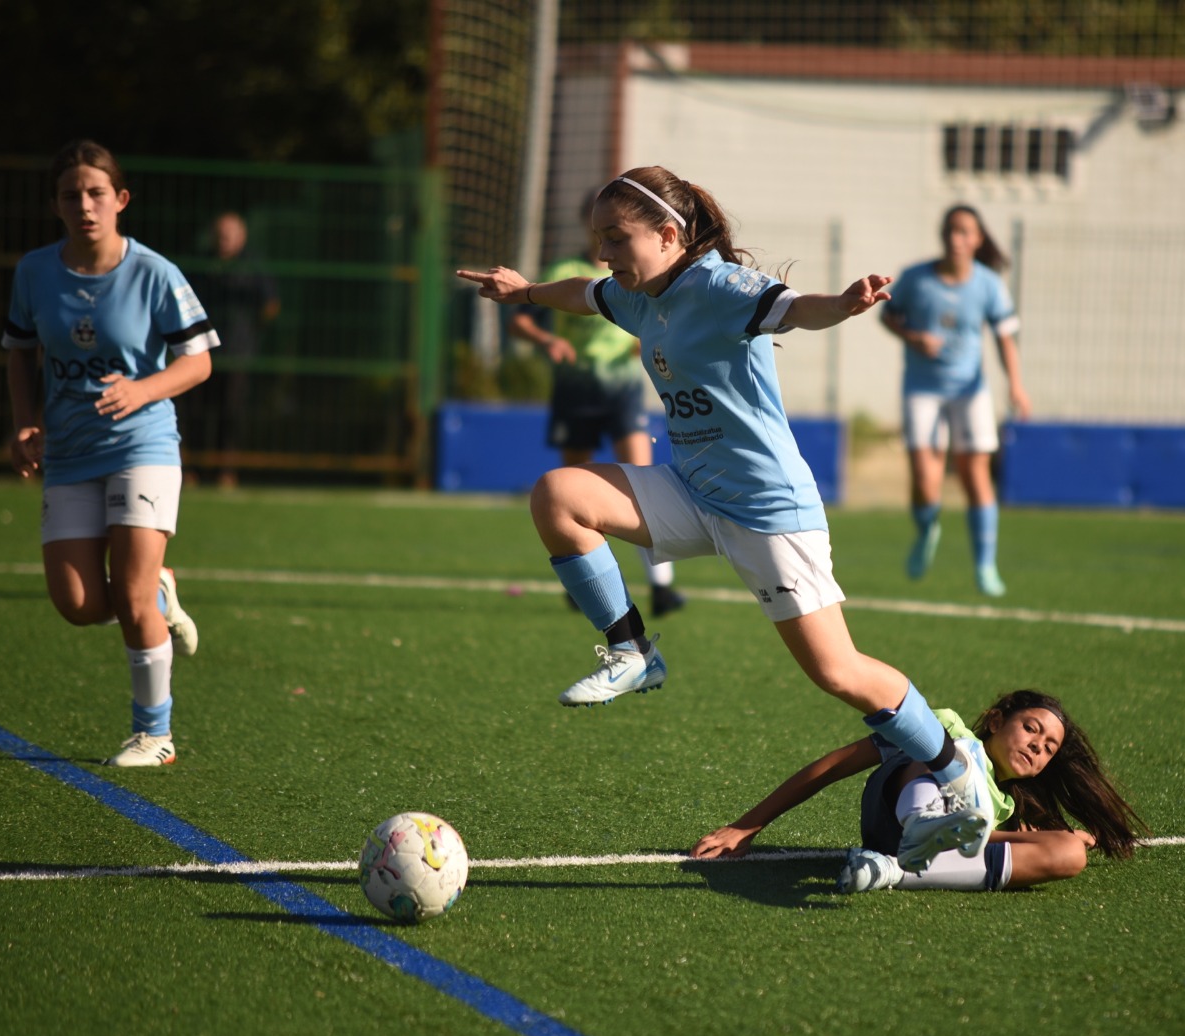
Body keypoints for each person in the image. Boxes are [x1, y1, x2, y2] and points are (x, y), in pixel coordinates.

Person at [458, 165, 998, 870]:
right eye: (597, 239)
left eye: (615, 238)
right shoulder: (636, 295)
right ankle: (632, 652)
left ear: (669, 234)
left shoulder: (716, 286)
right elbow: (584, 297)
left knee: (839, 671)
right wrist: (523, 290)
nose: (603, 255)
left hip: (768, 511)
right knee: (558, 497)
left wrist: (844, 301)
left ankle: (960, 778)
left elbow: (794, 308)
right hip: (692, 490)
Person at [2, 139, 217, 767]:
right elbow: (18, 350)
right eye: (72, 195)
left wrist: (142, 389)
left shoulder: (154, 272)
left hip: (142, 446)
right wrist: (23, 424)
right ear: (56, 206)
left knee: (125, 598)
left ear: (120, 200)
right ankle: (159, 588)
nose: (85, 205)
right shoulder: (35, 272)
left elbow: (198, 359)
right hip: (68, 452)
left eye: (97, 193)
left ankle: (154, 735)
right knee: (76, 606)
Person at [691, 689, 1147, 893]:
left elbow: (1038, 843)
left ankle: (890, 873)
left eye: (1048, 748)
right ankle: (927, 828)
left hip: (908, 857)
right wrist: (748, 824)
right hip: (892, 816)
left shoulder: (1006, 805)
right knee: (952, 753)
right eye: (1031, 728)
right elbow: (837, 765)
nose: (1037, 746)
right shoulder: (945, 726)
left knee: (1070, 856)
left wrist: (1069, 839)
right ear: (995, 720)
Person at [508, 191, 684, 618]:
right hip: (576, 386)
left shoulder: (637, 278)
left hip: (622, 387)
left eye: (617, 234)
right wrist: (548, 340)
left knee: (643, 477)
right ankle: (585, 577)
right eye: (602, 233)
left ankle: (662, 587)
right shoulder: (568, 272)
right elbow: (521, 318)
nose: (608, 245)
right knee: (573, 484)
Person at [882, 205, 1031, 597]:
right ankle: (926, 530)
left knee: (974, 475)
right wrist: (914, 338)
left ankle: (985, 566)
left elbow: (1004, 337)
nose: (956, 238)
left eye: (965, 232)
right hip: (922, 389)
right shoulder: (915, 278)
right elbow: (888, 316)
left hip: (970, 392)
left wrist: (1016, 385)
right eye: (951, 230)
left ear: (978, 239)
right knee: (925, 479)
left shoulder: (988, 284)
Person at [186, 210, 279, 488]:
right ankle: (193, 468)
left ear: (241, 237)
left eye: (228, 236)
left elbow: (270, 305)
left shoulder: (253, 266)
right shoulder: (202, 263)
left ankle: (226, 471)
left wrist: (249, 332)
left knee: (231, 412)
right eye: (219, 235)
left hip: (237, 352)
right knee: (197, 412)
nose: (222, 241)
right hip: (200, 352)